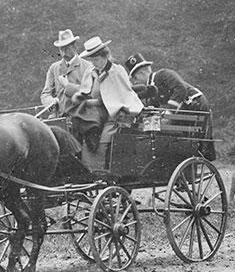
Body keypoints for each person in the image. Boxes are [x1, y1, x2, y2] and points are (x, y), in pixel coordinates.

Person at [68, 37, 144, 178]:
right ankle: (87, 171)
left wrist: (98, 103)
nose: (94, 63)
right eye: (92, 60)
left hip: (114, 115)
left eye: (96, 60)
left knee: (101, 138)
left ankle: (101, 172)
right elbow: (85, 91)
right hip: (95, 113)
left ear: (105, 56)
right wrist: (80, 98)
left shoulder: (116, 71)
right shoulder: (91, 72)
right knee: (79, 127)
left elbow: (124, 94)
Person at [124, 53, 217, 161]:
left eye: (134, 78)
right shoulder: (151, 89)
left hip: (195, 105)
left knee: (180, 136)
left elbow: (180, 89)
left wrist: (169, 113)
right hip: (183, 111)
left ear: (142, 72)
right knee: (164, 131)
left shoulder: (163, 75)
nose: (135, 81)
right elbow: (154, 106)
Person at [40, 29, 93, 117]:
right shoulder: (54, 68)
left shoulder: (87, 67)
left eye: (67, 48)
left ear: (75, 46)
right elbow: (46, 93)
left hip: (82, 117)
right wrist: (50, 102)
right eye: (61, 49)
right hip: (60, 116)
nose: (64, 52)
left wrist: (67, 85)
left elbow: (88, 93)